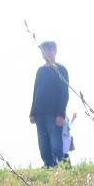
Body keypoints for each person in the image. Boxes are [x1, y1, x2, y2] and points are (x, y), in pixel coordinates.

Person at [30, 40, 71, 168]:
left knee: (57, 144)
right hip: (39, 114)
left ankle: (65, 168)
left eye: (49, 50)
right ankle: (49, 166)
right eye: (43, 50)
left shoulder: (61, 69)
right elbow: (36, 91)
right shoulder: (40, 71)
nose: (46, 52)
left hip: (55, 115)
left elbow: (64, 93)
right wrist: (32, 112)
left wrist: (61, 114)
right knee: (43, 145)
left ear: (55, 51)